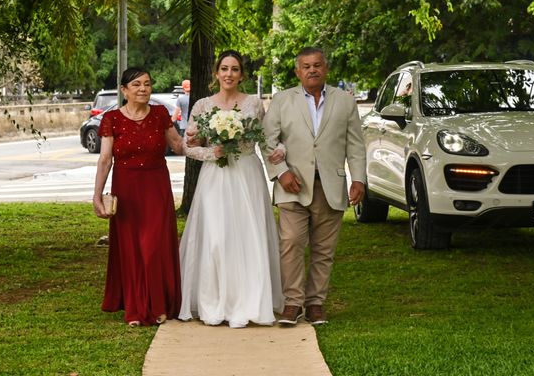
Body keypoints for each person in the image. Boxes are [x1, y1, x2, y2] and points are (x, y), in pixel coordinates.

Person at [179, 49, 284, 328]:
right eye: (224, 69)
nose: (229, 74)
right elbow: (187, 146)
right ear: (216, 73)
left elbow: (265, 141)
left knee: (248, 235)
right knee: (216, 237)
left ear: (241, 74)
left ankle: (249, 301)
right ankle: (215, 302)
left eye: (234, 69)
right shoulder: (203, 105)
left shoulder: (252, 103)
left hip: (246, 174)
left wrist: (278, 151)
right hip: (215, 177)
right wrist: (211, 153)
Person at [262, 47, 367, 326]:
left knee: (324, 250)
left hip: (330, 186)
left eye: (317, 65)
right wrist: (281, 173)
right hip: (292, 186)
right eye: (306, 66)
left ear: (326, 68)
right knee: (291, 243)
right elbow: (267, 141)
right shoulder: (283, 100)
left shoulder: (345, 101)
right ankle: (293, 303)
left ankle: (316, 303)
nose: (312, 70)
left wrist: (358, 179)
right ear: (298, 71)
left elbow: (355, 145)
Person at [92, 67, 184, 327]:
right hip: (126, 189)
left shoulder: (160, 114)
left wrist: (209, 144)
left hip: (156, 187)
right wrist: (97, 196)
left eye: (147, 84)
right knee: (132, 250)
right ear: (124, 90)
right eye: (136, 85)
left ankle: (158, 305)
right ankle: (136, 309)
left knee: (153, 248)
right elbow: (105, 159)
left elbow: (178, 145)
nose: (143, 89)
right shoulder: (111, 119)